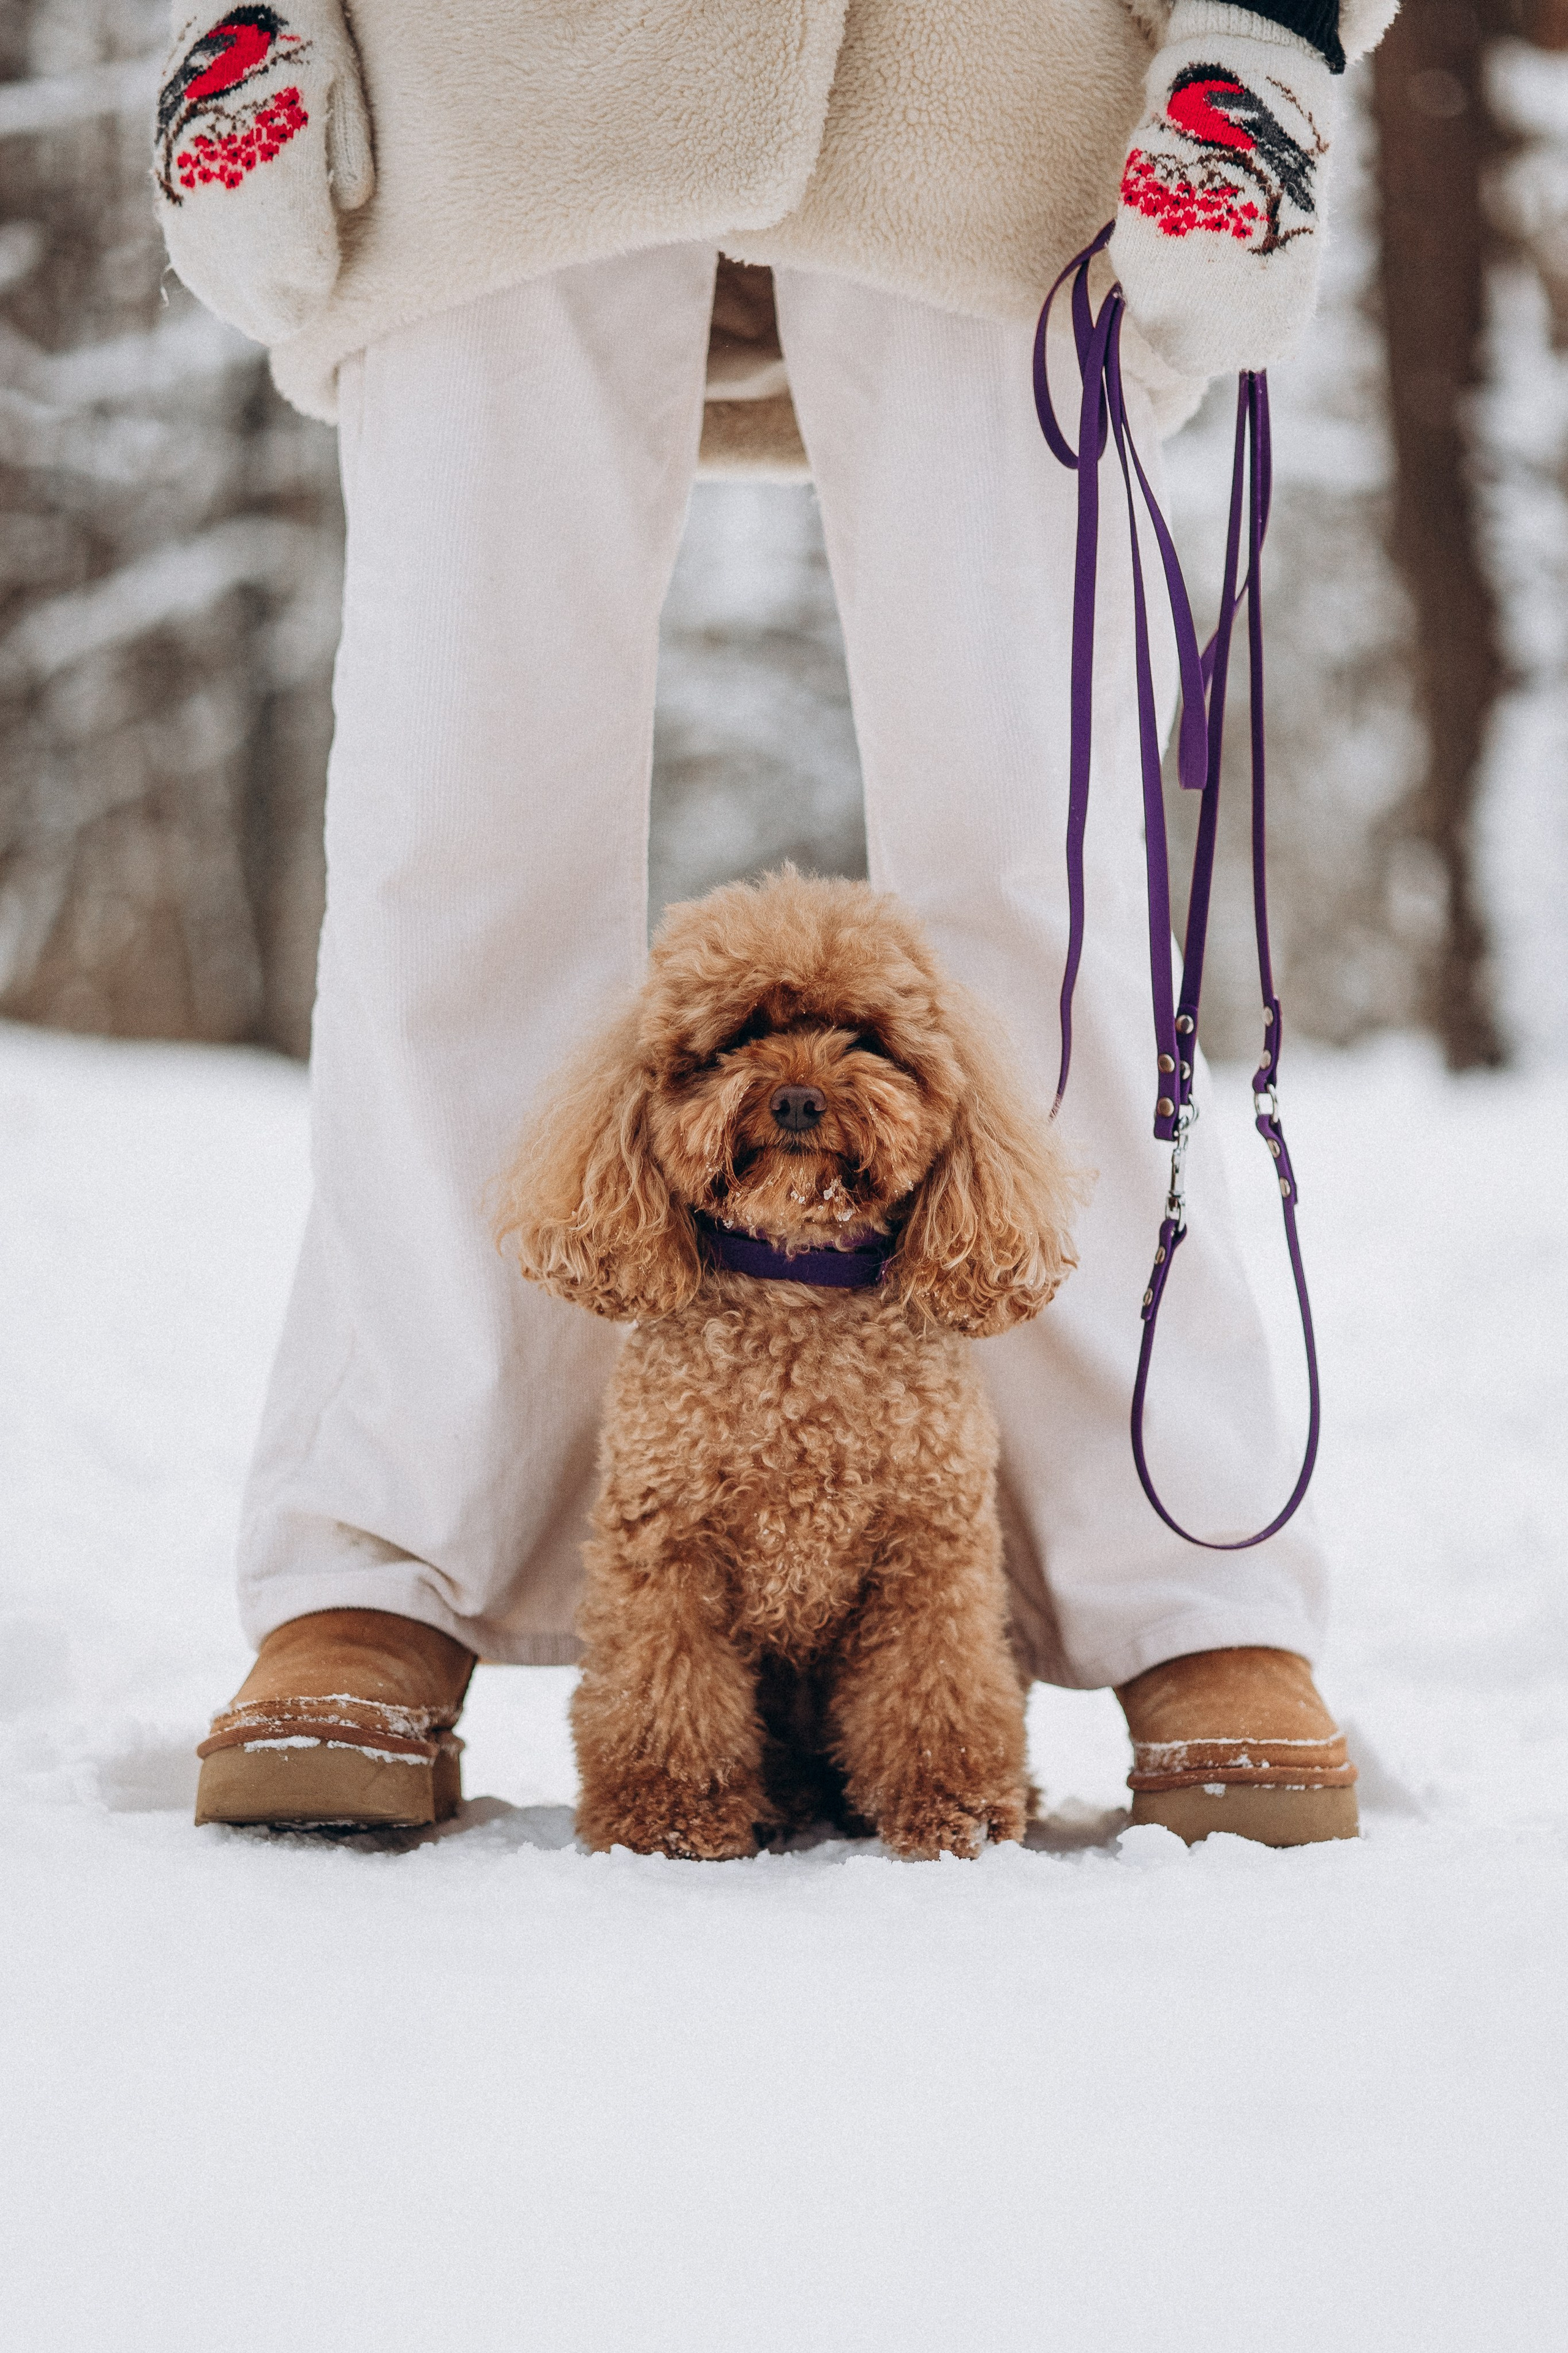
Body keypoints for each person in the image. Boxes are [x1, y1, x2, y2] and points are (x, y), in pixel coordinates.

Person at [158, 0, 1395, 1842]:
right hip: (488, 82)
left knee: (1052, 864)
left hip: (1006, 79)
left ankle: (1179, 1564)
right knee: (451, 829)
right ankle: (381, 1533)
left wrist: (1270, 34)